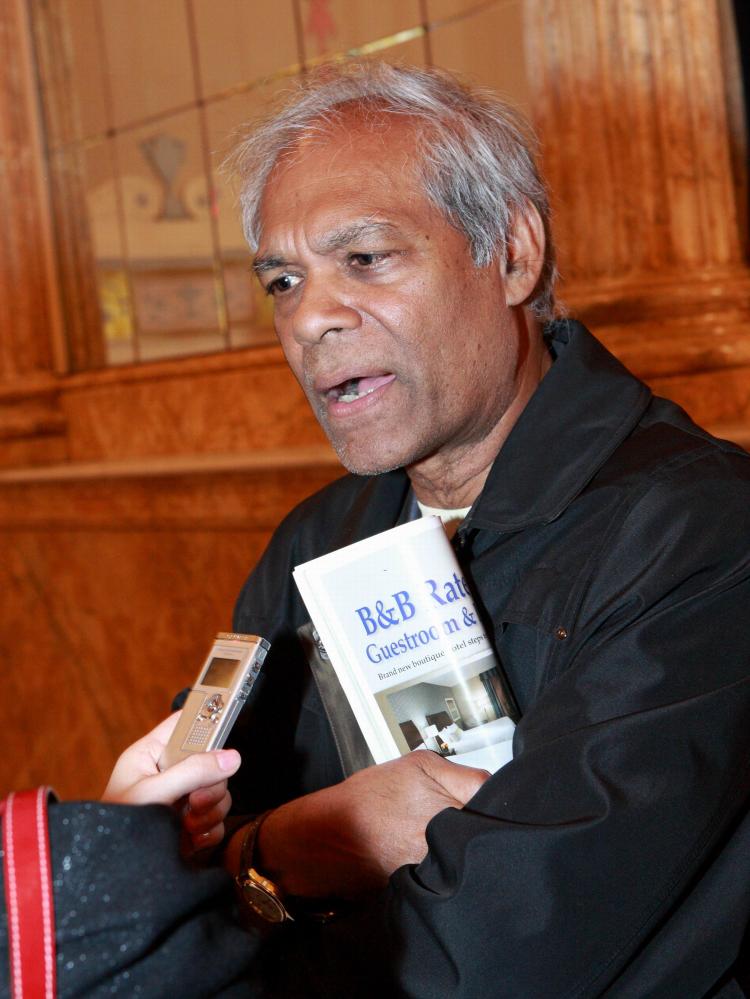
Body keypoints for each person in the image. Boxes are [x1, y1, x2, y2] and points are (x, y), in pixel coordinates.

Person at [180, 60, 750, 997]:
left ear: (514, 254)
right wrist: (298, 846)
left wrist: (247, 899)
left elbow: (500, 951)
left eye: (366, 259)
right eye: (283, 279)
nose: (311, 317)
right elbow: (171, 854)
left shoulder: (697, 533)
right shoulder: (313, 541)